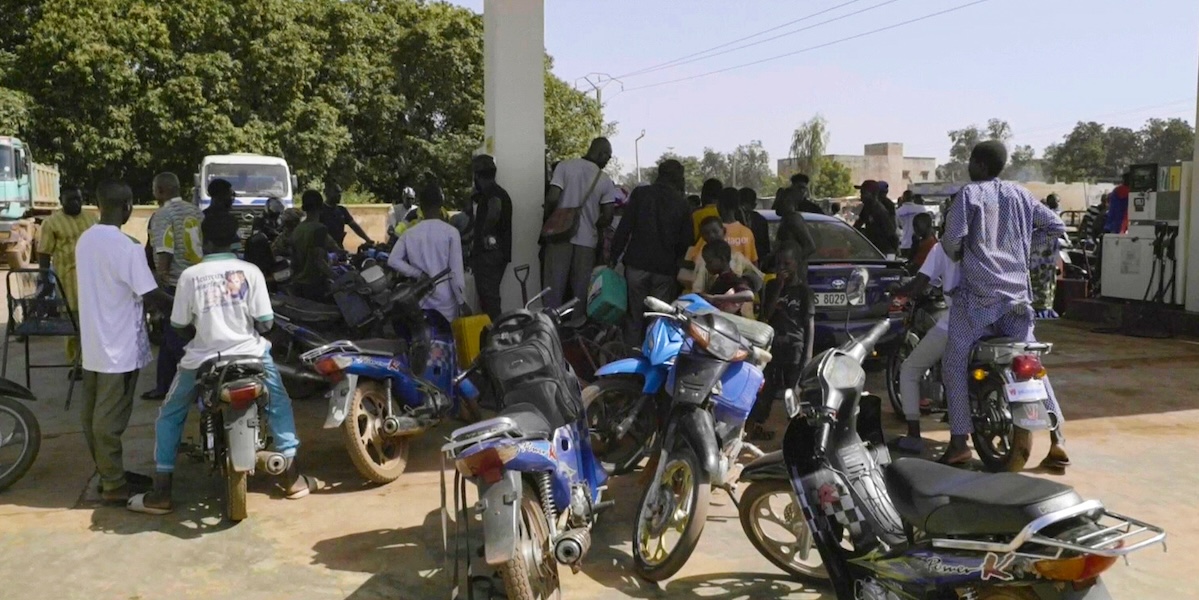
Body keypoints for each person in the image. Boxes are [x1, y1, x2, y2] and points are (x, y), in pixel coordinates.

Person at [127, 213, 310, 515]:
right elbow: (265, 323)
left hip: (203, 359)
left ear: (203, 240)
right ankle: (292, 479)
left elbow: (179, 324)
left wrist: (201, 334)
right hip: (252, 356)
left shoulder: (190, 276)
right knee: (279, 404)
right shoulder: (250, 272)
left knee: (169, 414)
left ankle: (160, 492)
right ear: (236, 240)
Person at [941, 140, 1068, 468]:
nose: (969, 167)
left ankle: (958, 442)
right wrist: (1024, 247)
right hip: (1017, 301)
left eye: (971, 161)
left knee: (953, 362)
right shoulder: (1021, 194)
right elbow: (1056, 226)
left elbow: (951, 241)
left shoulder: (969, 195)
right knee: (1032, 364)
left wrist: (963, 253)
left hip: (978, 300)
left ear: (981, 166)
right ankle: (1057, 440)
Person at [75, 181, 172, 503]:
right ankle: (114, 485)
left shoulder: (85, 240)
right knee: (108, 421)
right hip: (119, 348)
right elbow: (152, 295)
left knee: (92, 417)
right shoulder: (126, 247)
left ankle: (108, 472)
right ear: (128, 206)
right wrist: (187, 304)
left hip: (92, 345)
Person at [610, 159, 693, 345]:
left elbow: (624, 228)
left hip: (636, 265)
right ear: (679, 177)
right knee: (658, 318)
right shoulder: (682, 203)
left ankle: (632, 358)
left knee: (634, 316)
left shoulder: (641, 194)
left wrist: (613, 257)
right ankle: (652, 361)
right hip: (664, 270)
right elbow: (686, 241)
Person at [140, 173, 204, 402]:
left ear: (160, 191)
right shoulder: (196, 211)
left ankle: (199, 390)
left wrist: (160, 278)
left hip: (175, 286)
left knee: (178, 339)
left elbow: (163, 250)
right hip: (198, 282)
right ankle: (163, 385)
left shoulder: (162, 215)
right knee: (168, 337)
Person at [891, 240, 959, 454]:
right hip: (999, 318)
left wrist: (899, 291)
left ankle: (913, 435)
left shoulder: (945, 246)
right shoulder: (991, 242)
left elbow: (920, 282)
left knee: (910, 370)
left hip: (958, 319)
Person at [542, 137, 618, 309]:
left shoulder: (565, 166)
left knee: (553, 288)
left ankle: (549, 326)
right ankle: (577, 329)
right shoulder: (605, 180)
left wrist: (550, 218)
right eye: (608, 156)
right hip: (587, 243)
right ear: (601, 153)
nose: (608, 160)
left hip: (559, 236)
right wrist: (594, 224)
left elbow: (553, 197)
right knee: (580, 293)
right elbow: (608, 216)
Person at [753, 241, 812, 441]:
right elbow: (766, 315)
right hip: (772, 347)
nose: (782, 269)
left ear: (796, 264)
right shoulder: (770, 286)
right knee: (766, 388)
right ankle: (757, 425)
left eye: (787, 264)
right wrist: (777, 286)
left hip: (794, 347)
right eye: (779, 264)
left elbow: (809, 326)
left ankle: (797, 432)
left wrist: (807, 357)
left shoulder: (804, 292)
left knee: (792, 391)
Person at [37, 187, 97, 377]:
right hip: (67, 279)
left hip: (92, 279)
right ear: (61, 200)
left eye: (78, 199)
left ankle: (93, 361)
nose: (75, 203)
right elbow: (44, 252)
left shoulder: (91, 219)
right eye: (71, 199)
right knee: (71, 323)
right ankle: (75, 364)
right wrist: (45, 278)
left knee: (92, 323)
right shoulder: (51, 222)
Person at [388, 183, 469, 324]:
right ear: (441, 203)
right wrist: (462, 302)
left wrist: (418, 274)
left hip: (421, 300)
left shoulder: (409, 234)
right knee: (447, 341)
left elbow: (393, 260)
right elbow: (456, 273)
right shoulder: (451, 233)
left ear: (420, 205)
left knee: (425, 340)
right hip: (446, 304)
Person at [468, 154, 512, 321]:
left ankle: (497, 335)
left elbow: (495, 210)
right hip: (497, 253)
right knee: (489, 298)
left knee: (489, 300)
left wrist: (484, 232)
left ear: (477, 176)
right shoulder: (500, 192)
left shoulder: (492, 193)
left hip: (488, 255)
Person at [687, 216, 764, 295]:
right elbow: (698, 289)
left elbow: (757, 277)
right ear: (702, 236)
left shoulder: (737, 257)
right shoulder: (703, 260)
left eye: (715, 231)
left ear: (723, 231)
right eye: (706, 233)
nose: (711, 235)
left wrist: (743, 283)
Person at [290, 190, 339, 301]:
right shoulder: (319, 229)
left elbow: (294, 260)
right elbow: (319, 261)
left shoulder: (298, 229)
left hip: (297, 285)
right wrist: (337, 278)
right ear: (321, 207)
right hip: (315, 287)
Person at [700, 240, 753, 317]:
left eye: (709, 262)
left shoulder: (730, 278)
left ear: (722, 259)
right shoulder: (720, 279)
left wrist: (716, 298)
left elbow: (749, 295)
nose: (706, 266)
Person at [319, 182, 374, 249]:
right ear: (327, 193)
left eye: (340, 192)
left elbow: (354, 226)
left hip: (339, 248)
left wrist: (368, 240)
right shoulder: (319, 210)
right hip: (323, 249)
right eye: (336, 192)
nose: (339, 195)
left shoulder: (341, 210)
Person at [853, 180, 899, 257]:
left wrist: (894, 251)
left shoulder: (879, 210)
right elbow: (857, 226)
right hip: (873, 250)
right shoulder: (867, 208)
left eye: (864, 193)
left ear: (873, 194)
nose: (861, 196)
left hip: (884, 251)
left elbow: (891, 233)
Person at [773, 189, 817, 268]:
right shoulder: (786, 219)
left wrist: (792, 262)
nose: (775, 205)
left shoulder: (794, 219)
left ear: (787, 202)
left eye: (779, 201)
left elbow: (810, 246)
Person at [718, 187, 758, 265]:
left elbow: (694, 259)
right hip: (743, 276)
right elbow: (754, 263)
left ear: (720, 205)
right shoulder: (747, 232)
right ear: (737, 207)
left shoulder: (711, 232)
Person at [895, 191, 933, 258]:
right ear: (913, 198)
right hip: (919, 243)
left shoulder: (898, 212)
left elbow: (898, 226)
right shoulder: (921, 209)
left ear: (903, 199)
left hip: (905, 244)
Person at [738, 187, 771, 260]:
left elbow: (765, 247)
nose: (743, 212)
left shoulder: (761, 221)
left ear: (754, 205)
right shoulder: (733, 220)